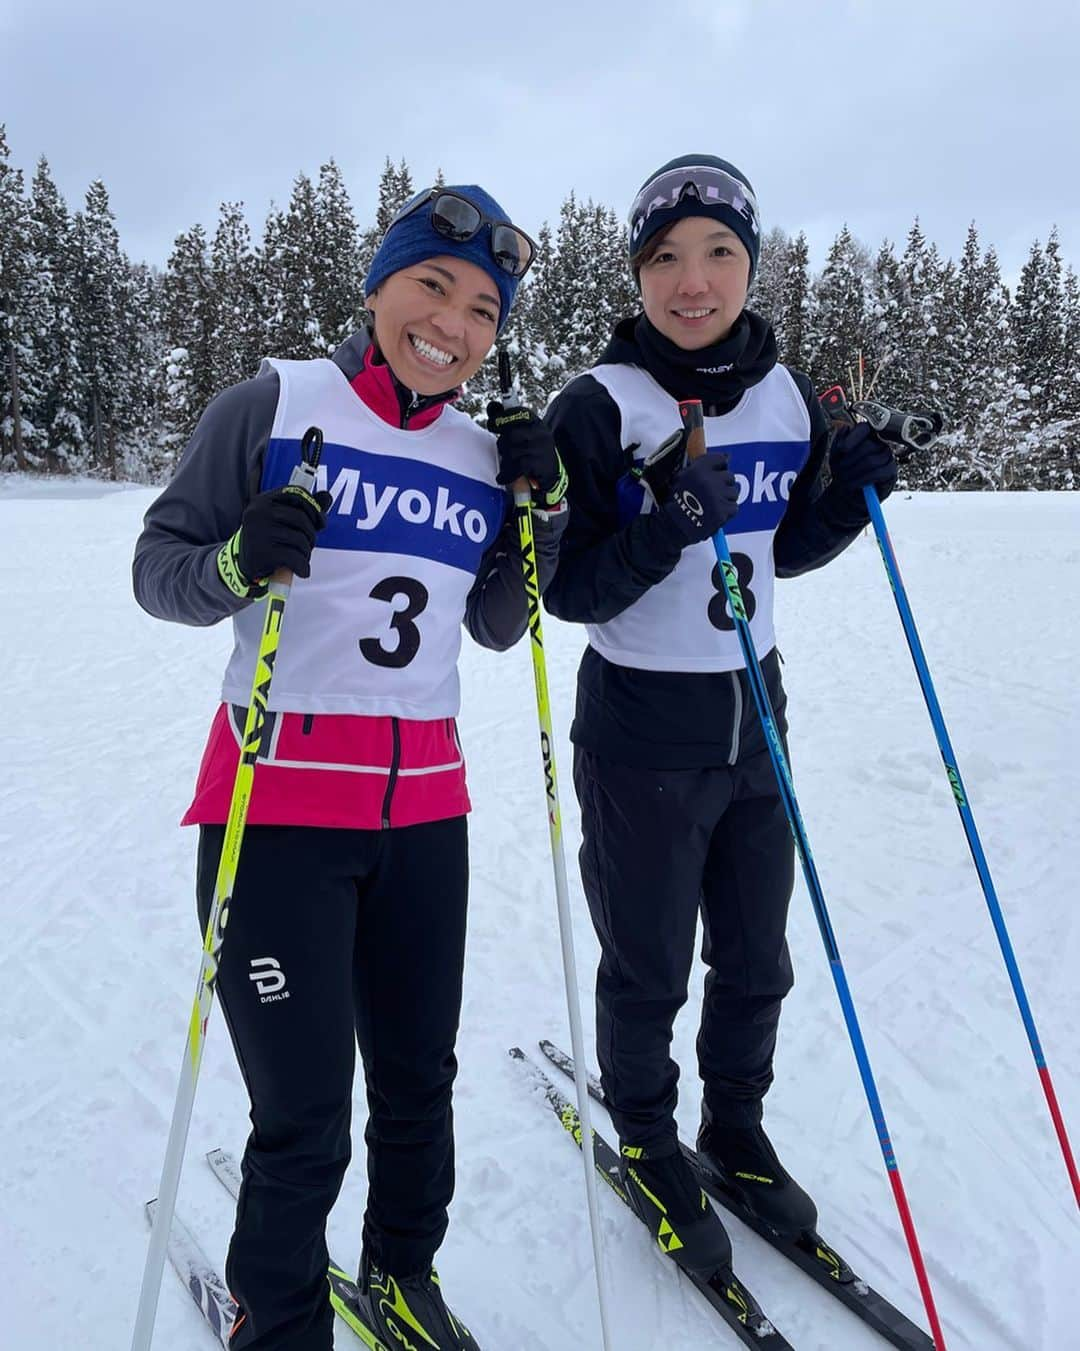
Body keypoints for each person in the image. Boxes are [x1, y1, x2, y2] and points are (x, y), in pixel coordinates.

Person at [133, 184, 567, 1351]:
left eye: (484, 307)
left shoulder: (486, 454)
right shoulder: (275, 401)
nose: (454, 323)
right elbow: (159, 568)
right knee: (308, 1112)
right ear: (378, 284)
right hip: (274, 812)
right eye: (432, 284)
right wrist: (232, 559)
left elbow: (497, 622)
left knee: (419, 1085)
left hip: (427, 814)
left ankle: (400, 1273)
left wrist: (546, 512)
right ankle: (278, 1325)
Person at [543, 154, 897, 1275]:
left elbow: (782, 545)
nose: (692, 282)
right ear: (636, 272)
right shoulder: (600, 406)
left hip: (756, 710)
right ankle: (649, 1141)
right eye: (665, 259)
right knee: (647, 963)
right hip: (643, 719)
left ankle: (733, 1133)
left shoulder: (787, 392)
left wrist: (854, 492)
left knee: (756, 957)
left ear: (751, 260)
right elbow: (570, 588)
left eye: (718, 254)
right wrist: (666, 524)